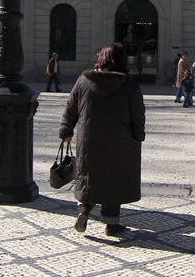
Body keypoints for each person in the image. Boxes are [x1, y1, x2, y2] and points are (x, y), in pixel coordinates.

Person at [59, 42, 145, 237]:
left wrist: (66, 130)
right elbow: (138, 114)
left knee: (89, 174)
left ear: (101, 59)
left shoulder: (84, 81)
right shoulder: (129, 86)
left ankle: (84, 210)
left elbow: (70, 107)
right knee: (114, 178)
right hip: (119, 141)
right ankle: (111, 224)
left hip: (89, 139)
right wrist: (138, 135)